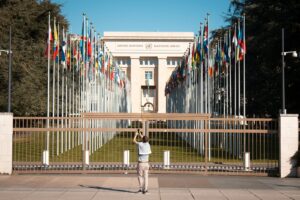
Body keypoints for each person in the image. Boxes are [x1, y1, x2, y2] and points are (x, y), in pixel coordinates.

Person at [133, 128, 151, 194]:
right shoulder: (148, 144)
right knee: (146, 177)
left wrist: (136, 135)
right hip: (146, 163)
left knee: (140, 176)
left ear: (142, 140)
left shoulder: (140, 144)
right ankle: (145, 189)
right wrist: (141, 135)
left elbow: (134, 141)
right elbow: (145, 139)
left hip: (141, 163)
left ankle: (141, 188)